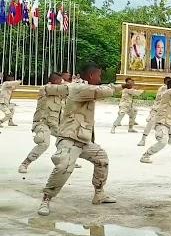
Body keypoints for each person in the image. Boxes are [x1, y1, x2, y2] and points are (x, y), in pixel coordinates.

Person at [36, 63, 119, 216]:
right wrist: (118, 88)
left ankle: (99, 193)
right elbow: (104, 91)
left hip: (83, 139)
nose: (100, 79)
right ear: (91, 76)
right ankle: (46, 199)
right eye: (99, 76)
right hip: (69, 138)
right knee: (64, 167)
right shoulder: (81, 88)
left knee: (102, 159)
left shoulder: (81, 87)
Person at [18, 73, 69, 173]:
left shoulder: (60, 94)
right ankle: (25, 163)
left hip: (55, 124)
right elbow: (65, 88)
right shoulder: (45, 89)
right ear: (54, 81)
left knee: (67, 140)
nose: (61, 82)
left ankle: (65, 161)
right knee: (43, 143)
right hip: (42, 123)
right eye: (60, 80)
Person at [139, 79, 171, 163]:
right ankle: (145, 155)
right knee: (163, 142)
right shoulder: (165, 94)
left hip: (170, 124)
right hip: (161, 124)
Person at [138, 76, 170, 147]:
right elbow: (163, 96)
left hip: (164, 110)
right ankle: (143, 139)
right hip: (157, 109)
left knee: (168, 123)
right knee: (150, 123)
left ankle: (170, 138)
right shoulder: (163, 88)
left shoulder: (169, 89)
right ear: (165, 82)